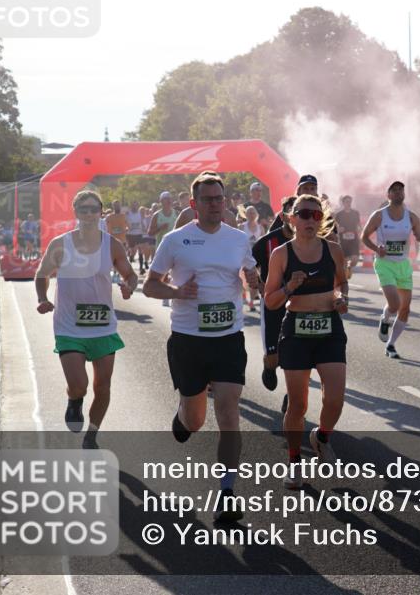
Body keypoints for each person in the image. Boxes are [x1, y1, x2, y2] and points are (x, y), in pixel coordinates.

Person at [142, 172, 258, 522]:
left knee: (228, 412)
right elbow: (150, 287)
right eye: (207, 199)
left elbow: (252, 276)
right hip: (188, 340)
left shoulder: (238, 239)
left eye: (219, 199)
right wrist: (177, 293)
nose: (214, 205)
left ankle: (227, 493)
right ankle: (182, 416)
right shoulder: (176, 241)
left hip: (228, 338)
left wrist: (254, 280)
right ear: (193, 205)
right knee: (195, 420)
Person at [34, 190, 137, 448]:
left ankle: (92, 434)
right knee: (79, 385)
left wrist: (129, 286)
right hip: (69, 326)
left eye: (93, 209)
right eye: (84, 209)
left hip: (103, 327)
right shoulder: (60, 243)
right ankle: (74, 399)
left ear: (101, 211)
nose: (89, 214)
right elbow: (42, 273)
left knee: (102, 387)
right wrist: (41, 298)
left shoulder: (112, 244)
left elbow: (130, 274)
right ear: (76, 212)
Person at [263, 194, 349, 491]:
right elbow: (271, 301)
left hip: (329, 329)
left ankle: (322, 438)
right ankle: (294, 461)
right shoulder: (281, 255)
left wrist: (341, 298)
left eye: (315, 215)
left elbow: (342, 282)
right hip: (297, 331)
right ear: (291, 218)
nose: (310, 220)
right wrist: (290, 286)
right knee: (298, 404)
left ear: (321, 219)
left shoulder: (333, 250)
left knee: (335, 399)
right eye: (304, 214)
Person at [361, 181, 420, 359]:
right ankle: (385, 319)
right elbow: (364, 237)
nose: (399, 193)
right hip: (385, 264)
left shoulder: (412, 217)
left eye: (401, 190)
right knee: (394, 304)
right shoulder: (379, 216)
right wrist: (377, 249)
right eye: (395, 190)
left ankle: (391, 345)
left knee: (405, 309)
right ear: (388, 195)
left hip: (403, 265)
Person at [253, 195, 297, 393]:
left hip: (300, 304)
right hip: (273, 303)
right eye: (294, 212)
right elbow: (248, 265)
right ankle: (269, 368)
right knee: (274, 357)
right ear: (285, 216)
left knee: (297, 355)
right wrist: (260, 285)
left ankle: (292, 396)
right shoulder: (268, 242)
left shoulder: (312, 243)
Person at [334, 195, 361, 280]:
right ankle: (345, 275)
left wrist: (360, 230)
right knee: (344, 260)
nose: (348, 203)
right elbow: (334, 227)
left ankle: (349, 267)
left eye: (350, 201)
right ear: (343, 203)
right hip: (343, 240)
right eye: (347, 202)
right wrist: (338, 229)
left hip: (354, 239)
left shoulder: (355, 213)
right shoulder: (339, 214)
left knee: (355, 259)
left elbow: (359, 225)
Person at [124, 201, 144, 273]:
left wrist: (144, 228)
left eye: (136, 205)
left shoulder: (140, 213)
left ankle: (141, 268)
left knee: (140, 249)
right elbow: (125, 221)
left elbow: (142, 222)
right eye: (133, 205)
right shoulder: (128, 214)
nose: (135, 207)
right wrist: (128, 227)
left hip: (139, 234)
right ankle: (130, 261)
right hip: (130, 234)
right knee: (133, 251)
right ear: (131, 206)